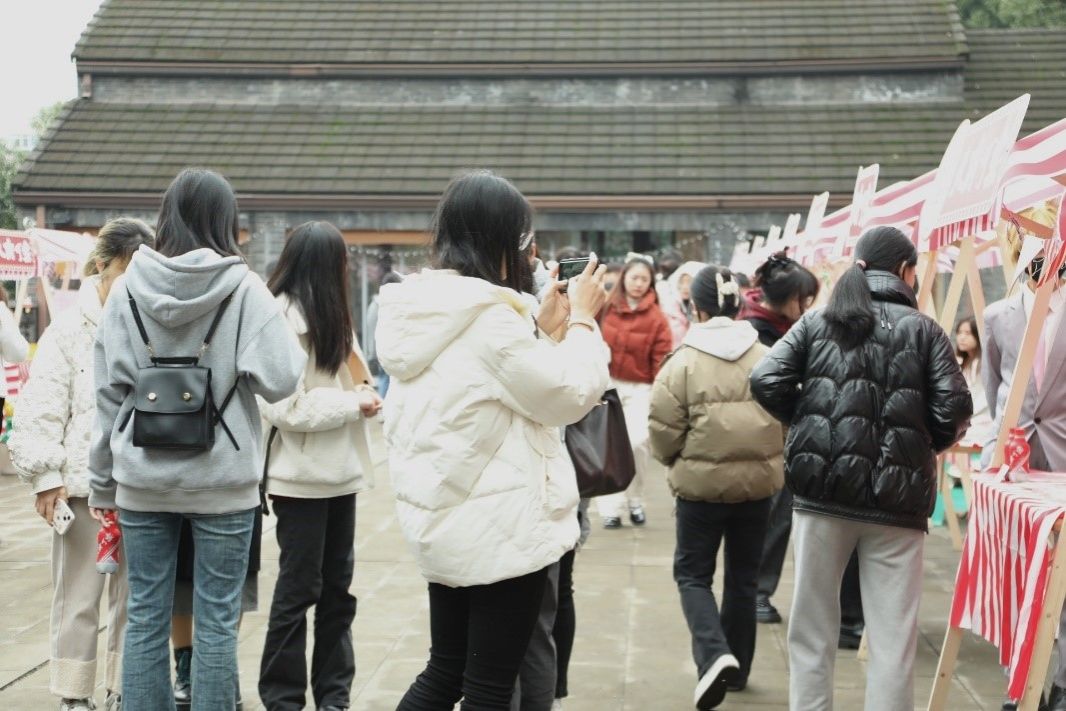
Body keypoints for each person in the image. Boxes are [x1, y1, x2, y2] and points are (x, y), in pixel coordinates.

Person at [376, 170, 610, 709]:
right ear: (502, 239)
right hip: (500, 529)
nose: (530, 251)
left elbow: (492, 391)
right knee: (487, 686)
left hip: (446, 518)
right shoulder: (489, 320)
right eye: (525, 237)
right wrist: (582, 322)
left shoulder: (430, 307)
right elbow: (568, 394)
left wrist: (540, 330)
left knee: (445, 671)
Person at [88, 168, 306, 711]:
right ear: (225, 220)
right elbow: (283, 378)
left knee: (144, 616)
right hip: (224, 481)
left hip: (141, 480)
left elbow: (107, 396)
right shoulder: (244, 289)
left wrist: (101, 484)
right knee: (216, 622)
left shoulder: (126, 289)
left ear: (166, 219)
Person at [750, 226, 971, 711]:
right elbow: (954, 409)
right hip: (898, 505)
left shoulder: (817, 321)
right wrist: (919, 447)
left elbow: (765, 379)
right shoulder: (925, 330)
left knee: (811, 629)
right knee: (893, 639)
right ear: (906, 272)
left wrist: (809, 424)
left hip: (821, 495)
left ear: (859, 266)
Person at [11, 218, 154, 711]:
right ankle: (74, 694)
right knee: (78, 597)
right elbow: (41, 405)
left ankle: (124, 688)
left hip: (141, 484)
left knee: (135, 599)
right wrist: (45, 478)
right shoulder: (70, 328)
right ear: (102, 266)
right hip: (81, 487)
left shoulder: (152, 323)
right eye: (126, 273)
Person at [258, 221, 382, 711]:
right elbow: (285, 407)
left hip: (339, 474)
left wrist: (365, 395)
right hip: (299, 478)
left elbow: (355, 378)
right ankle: (283, 699)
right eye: (342, 261)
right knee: (298, 591)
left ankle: (334, 697)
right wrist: (355, 404)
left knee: (337, 593)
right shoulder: (280, 318)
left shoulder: (331, 313)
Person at [649, 265, 784, 710]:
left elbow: (663, 432)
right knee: (744, 579)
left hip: (700, 490)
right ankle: (738, 669)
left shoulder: (682, 362)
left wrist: (676, 462)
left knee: (693, 575)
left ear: (697, 308)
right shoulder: (768, 356)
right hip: (758, 488)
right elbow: (785, 418)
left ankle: (713, 654)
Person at [983, 254, 1066, 711]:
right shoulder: (997, 316)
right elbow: (994, 384)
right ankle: (1019, 684)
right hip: (1013, 456)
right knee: (1014, 574)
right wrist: (999, 445)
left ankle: (1063, 684)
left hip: (1062, 454)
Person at [737, 253, 829, 626]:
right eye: (802, 299)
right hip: (763, 437)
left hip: (785, 437)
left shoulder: (781, 325)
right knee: (770, 518)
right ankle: (755, 592)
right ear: (787, 298)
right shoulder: (756, 331)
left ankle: (756, 590)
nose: (806, 307)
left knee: (778, 517)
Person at [596, 256, 673, 528]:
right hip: (607, 384)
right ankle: (610, 508)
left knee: (638, 443)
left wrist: (658, 392)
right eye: (634, 277)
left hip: (641, 387)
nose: (638, 283)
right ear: (624, 278)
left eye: (644, 279)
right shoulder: (606, 306)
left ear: (651, 282)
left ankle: (635, 500)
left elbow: (661, 360)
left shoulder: (657, 317)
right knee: (608, 445)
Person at [955, 315, 993, 447]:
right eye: (959, 332)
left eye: (967, 333)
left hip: (980, 420)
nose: (962, 337)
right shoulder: (963, 363)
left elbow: (979, 397)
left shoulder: (981, 364)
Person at [365, 270, 403, 397]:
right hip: (385, 351)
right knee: (385, 382)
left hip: (382, 351)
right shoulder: (381, 306)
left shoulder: (377, 305)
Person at [661, 261, 707, 347]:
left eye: (689, 282)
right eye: (682, 282)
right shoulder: (669, 310)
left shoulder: (703, 312)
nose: (685, 287)